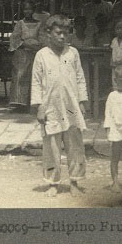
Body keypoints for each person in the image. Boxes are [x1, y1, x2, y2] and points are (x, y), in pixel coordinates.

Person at [31, 13, 88, 196]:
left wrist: (82, 101)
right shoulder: (41, 56)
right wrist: (39, 106)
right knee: (52, 147)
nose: (62, 36)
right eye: (58, 33)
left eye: (65, 33)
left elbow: (80, 78)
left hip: (71, 106)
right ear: (49, 33)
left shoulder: (73, 54)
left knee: (75, 146)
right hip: (51, 108)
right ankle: (53, 183)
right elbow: (36, 82)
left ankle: (75, 181)